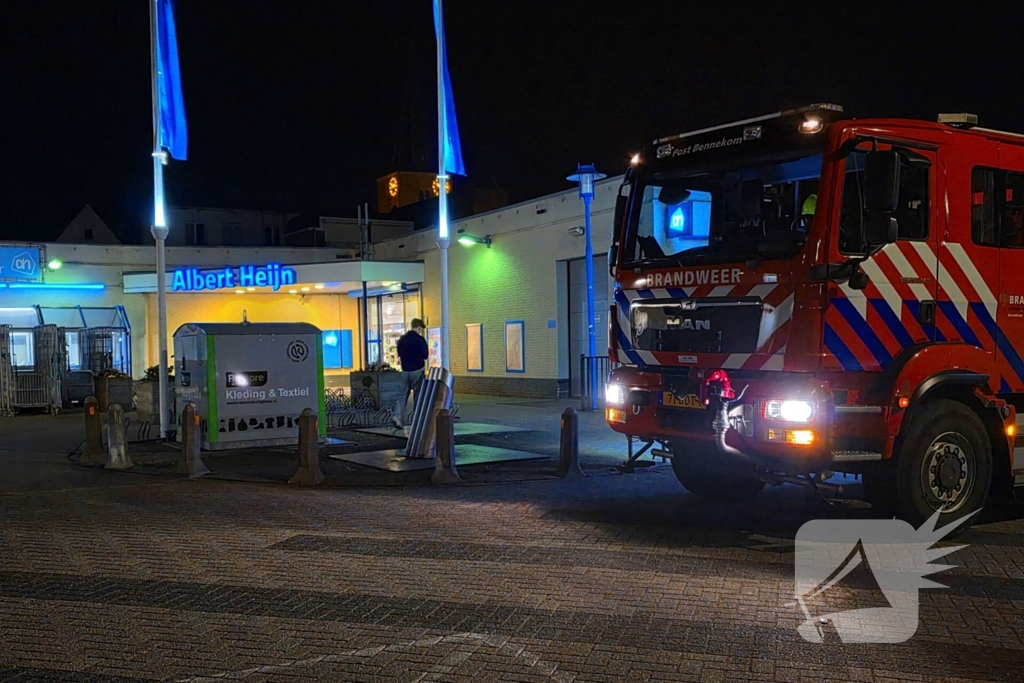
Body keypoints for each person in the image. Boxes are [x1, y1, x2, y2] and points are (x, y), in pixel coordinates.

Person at [393, 318, 429, 429]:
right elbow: (425, 355)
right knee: (418, 396)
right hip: (417, 370)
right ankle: (417, 420)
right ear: (418, 328)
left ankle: (397, 417)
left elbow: (399, 354)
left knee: (402, 395)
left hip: (405, 371)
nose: (420, 331)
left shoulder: (402, 339)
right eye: (420, 329)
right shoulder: (420, 340)